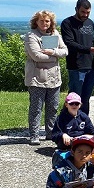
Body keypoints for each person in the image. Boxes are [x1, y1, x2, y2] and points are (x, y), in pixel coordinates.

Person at [24, 9, 68, 145]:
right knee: (36, 108)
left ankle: (51, 133)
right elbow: (37, 56)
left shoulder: (55, 34)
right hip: (37, 78)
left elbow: (65, 51)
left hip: (54, 78)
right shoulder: (31, 36)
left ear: (51, 22)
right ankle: (34, 135)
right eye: (41, 20)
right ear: (36, 22)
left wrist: (52, 52)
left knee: (53, 107)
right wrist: (55, 57)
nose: (44, 23)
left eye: (47, 21)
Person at [60, 0, 94, 114]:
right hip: (76, 66)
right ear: (76, 9)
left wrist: (93, 51)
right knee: (74, 98)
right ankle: (68, 121)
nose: (85, 15)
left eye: (88, 12)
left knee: (86, 98)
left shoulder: (90, 23)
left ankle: (83, 122)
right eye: (83, 12)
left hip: (90, 66)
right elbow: (69, 43)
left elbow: (91, 42)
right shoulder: (67, 23)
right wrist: (90, 50)